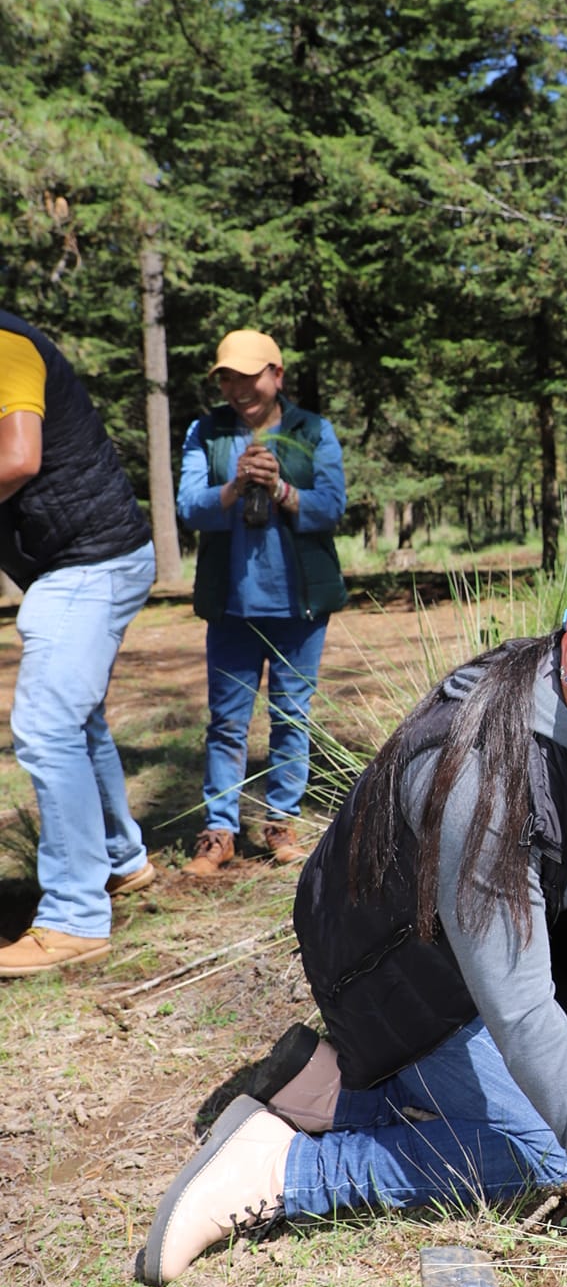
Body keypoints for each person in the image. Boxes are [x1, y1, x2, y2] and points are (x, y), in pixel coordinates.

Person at [140, 553, 567, 1284]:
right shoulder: (484, 766)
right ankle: (285, 1169)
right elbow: (518, 1004)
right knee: (555, 1147)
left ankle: (341, 1090)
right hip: (389, 964)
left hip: (486, 958)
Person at [0, 309, 157, 975]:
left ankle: (73, 919)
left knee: (45, 725)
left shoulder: (4, 344)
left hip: (90, 561)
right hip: (74, 563)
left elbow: (18, 455)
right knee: (78, 720)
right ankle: (120, 861)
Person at [176, 329, 346, 877]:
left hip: (299, 606)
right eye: (227, 377)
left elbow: (332, 507)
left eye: (249, 375)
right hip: (231, 606)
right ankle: (219, 832)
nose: (238, 387)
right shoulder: (206, 431)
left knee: (291, 717)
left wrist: (282, 491)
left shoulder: (312, 430)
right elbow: (189, 507)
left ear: (276, 375)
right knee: (226, 723)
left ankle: (281, 822)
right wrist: (233, 488)